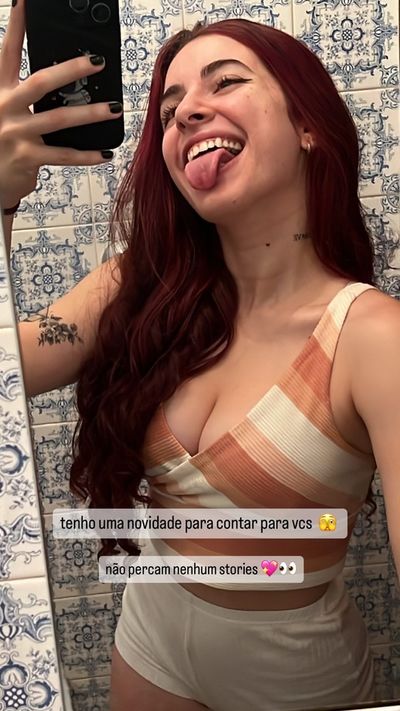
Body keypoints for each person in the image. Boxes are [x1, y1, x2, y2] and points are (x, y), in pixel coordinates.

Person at [1, 3, 400, 710]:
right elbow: (12, 368)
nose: (186, 113)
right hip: (151, 633)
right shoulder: (137, 285)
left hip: (293, 669)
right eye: (170, 108)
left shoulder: (372, 338)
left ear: (308, 124)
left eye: (226, 81)